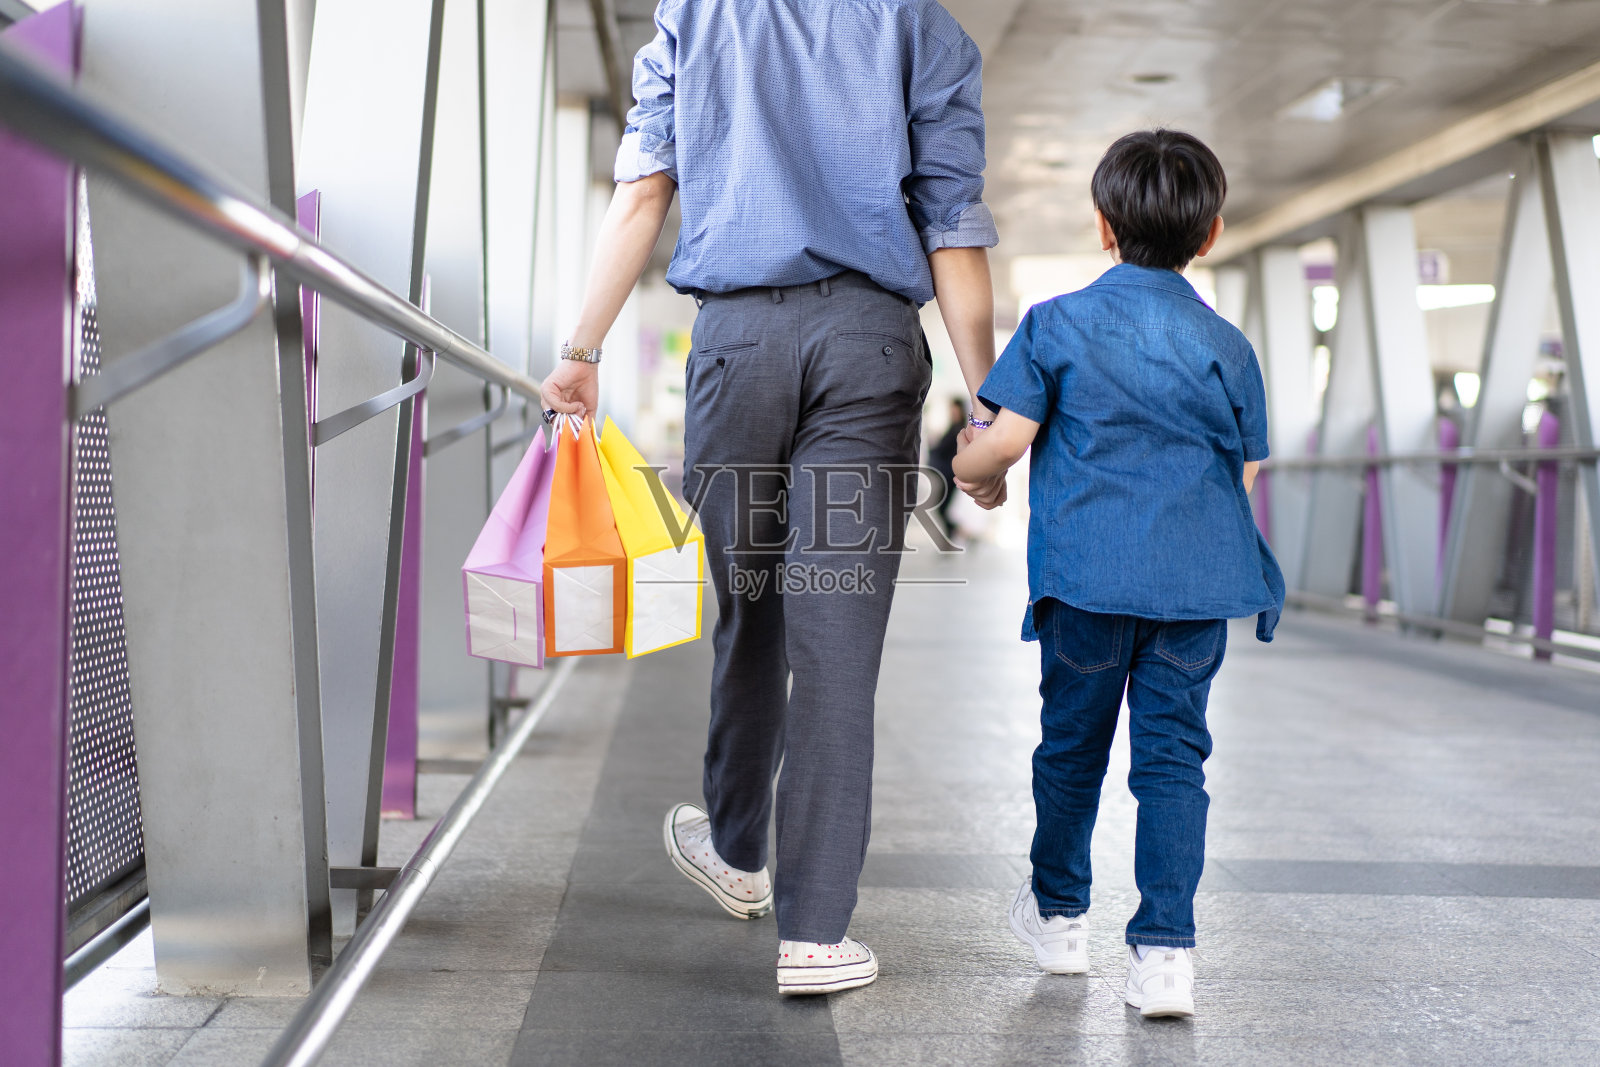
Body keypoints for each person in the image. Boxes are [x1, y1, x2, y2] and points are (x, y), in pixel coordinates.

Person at [540, 0, 1004, 995]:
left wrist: (581, 351)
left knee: (750, 603)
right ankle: (816, 932)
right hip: (868, 348)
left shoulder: (695, 17)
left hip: (738, 348)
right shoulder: (920, 27)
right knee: (836, 634)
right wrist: (987, 404)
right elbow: (951, 224)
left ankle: (738, 841)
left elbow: (642, 192)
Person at [952, 129, 1285, 1019]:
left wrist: (971, 474)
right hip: (1193, 591)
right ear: (1209, 233)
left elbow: (1006, 442)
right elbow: (1241, 475)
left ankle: (1061, 920)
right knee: (1174, 762)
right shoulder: (1227, 345)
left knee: (1072, 751)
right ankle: (1166, 955)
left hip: (1086, 583)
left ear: (1103, 224)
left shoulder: (1056, 324)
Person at [927, 397, 968, 540]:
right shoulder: (953, 428)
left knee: (942, 509)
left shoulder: (958, 430)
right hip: (947, 475)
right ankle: (960, 536)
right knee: (942, 509)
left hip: (950, 476)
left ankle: (958, 537)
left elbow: (942, 449)